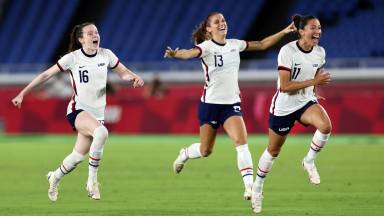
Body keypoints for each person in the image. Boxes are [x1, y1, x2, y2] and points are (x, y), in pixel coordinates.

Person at [164, 12, 295, 200]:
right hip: (210, 105)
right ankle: (184, 153)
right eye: (217, 22)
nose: (222, 23)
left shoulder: (235, 44)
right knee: (205, 150)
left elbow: (262, 44)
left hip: (231, 105)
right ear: (208, 29)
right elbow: (190, 53)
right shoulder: (206, 47)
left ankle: (250, 187)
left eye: (223, 20)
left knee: (241, 144)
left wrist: (284, 31)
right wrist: (176, 54)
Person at [11, 22, 144, 202]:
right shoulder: (72, 58)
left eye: (96, 32)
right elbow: (45, 75)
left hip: (97, 114)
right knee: (102, 133)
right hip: (78, 110)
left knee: (77, 157)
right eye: (90, 33)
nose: (95, 35)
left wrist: (133, 77)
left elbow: (123, 72)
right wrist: (22, 93)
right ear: (81, 39)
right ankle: (92, 181)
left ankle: (54, 177)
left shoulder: (106, 54)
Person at [250, 14, 332, 213]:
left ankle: (309, 161)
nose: (318, 31)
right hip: (284, 107)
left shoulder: (320, 52)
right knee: (273, 151)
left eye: (319, 27)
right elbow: (285, 86)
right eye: (313, 27)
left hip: (305, 102)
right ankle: (257, 188)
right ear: (301, 31)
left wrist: (313, 93)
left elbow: (313, 75)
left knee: (325, 126)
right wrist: (314, 83)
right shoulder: (287, 52)